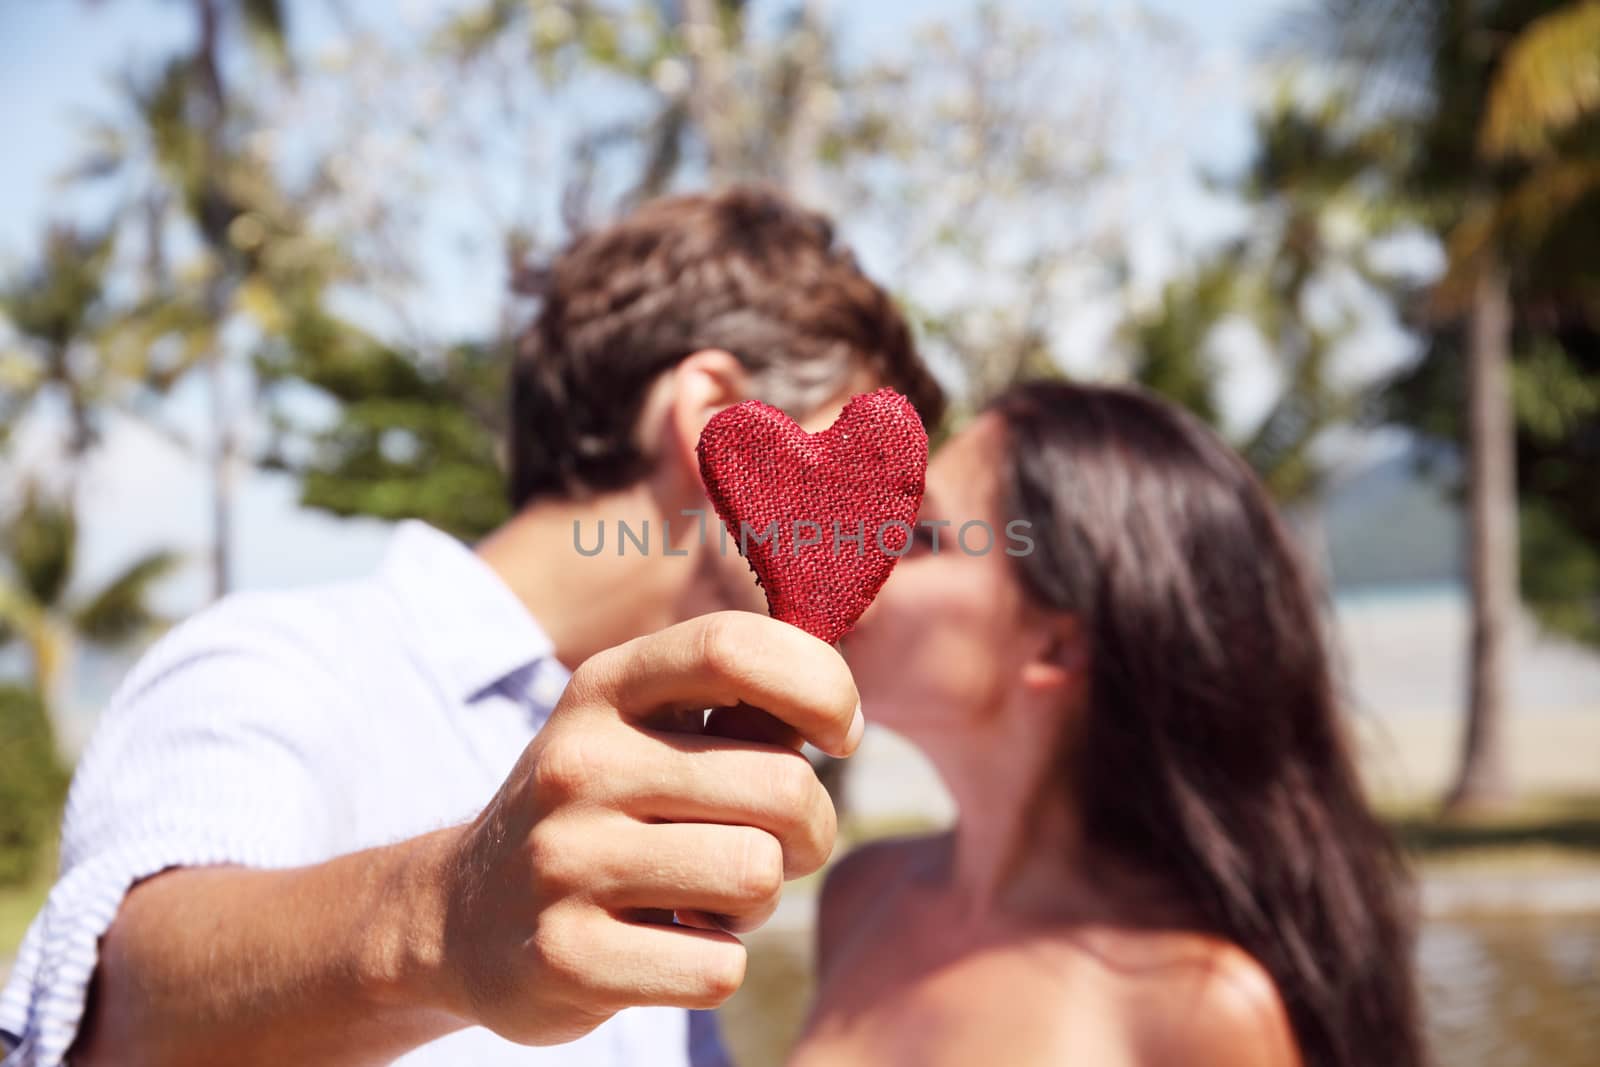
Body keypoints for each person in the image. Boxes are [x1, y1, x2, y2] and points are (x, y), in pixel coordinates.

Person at [0, 186, 945, 1067]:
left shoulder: (676, 761)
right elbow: (118, 1006)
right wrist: (440, 923)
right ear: (711, 413)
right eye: (866, 485)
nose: (886, 547)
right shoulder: (278, 666)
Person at [792, 382, 1425, 1067]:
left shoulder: (1199, 1007)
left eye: (918, 535)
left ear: (1057, 647)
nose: (853, 550)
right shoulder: (859, 897)